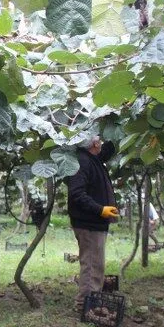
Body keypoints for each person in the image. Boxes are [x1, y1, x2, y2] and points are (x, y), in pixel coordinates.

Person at [66, 134, 119, 312]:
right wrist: (100, 209)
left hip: (95, 223)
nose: (102, 143)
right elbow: (77, 194)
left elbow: (108, 150)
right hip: (88, 223)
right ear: (95, 143)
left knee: (96, 264)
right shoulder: (82, 161)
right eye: (100, 140)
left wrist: (112, 125)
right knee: (91, 264)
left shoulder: (93, 159)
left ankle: (91, 301)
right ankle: (84, 305)